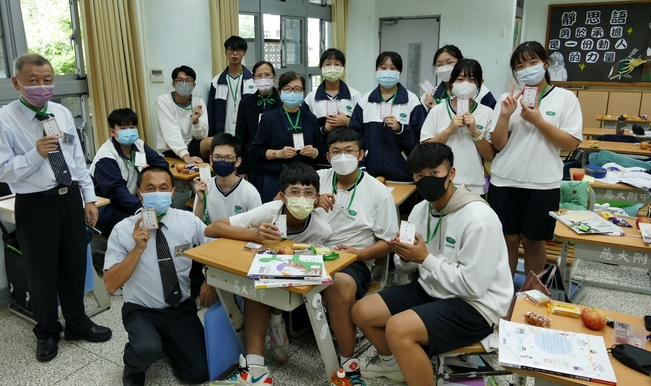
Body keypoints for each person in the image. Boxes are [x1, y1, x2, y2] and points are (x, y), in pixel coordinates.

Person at [351, 143, 513, 386]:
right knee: (362, 311)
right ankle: (392, 364)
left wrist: (424, 258)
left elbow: (474, 287)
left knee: (398, 328)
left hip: (476, 304)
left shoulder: (479, 219)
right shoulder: (419, 210)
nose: (426, 180)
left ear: (451, 173)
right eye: (419, 176)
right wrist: (404, 256)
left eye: (434, 173)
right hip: (433, 288)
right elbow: (407, 269)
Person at [0, 54, 112, 362]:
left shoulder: (60, 112)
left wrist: (89, 198)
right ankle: (46, 332)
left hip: (69, 197)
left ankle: (77, 323)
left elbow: (76, 158)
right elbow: (0, 171)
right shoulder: (3, 119)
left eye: (47, 80)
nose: (41, 86)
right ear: (16, 83)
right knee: (41, 272)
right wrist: (35, 154)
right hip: (35, 204)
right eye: (33, 81)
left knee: (74, 263)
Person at [205, 163, 332, 385]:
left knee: (266, 284)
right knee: (255, 286)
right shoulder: (270, 210)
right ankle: (257, 366)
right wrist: (254, 234)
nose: (301, 198)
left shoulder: (322, 229)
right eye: (294, 192)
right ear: (282, 196)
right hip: (263, 275)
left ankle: (276, 321)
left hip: (295, 284)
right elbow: (212, 228)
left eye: (308, 192)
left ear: (317, 198)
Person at [103, 166, 209, 385]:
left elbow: (214, 249)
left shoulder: (188, 222)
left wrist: (211, 281)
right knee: (146, 349)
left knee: (199, 374)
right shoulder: (123, 230)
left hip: (180, 308)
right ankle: (133, 363)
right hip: (142, 310)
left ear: (173, 193)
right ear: (139, 193)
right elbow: (111, 285)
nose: (157, 193)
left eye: (163, 188)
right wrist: (137, 249)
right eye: (150, 189)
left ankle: (167, 341)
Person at [488, 41, 582, 278]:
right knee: (507, 241)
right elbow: (498, 144)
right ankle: (504, 293)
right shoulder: (507, 98)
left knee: (534, 243)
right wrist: (505, 116)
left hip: (543, 184)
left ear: (545, 64)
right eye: (520, 66)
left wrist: (538, 121)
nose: (527, 69)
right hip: (504, 181)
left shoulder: (565, 98)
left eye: (533, 62)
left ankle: (531, 295)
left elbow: (570, 143)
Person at [316, 127, 398, 385]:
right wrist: (311, 201)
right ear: (328, 156)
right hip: (311, 250)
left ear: (361, 155)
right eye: (336, 152)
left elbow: (389, 242)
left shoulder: (377, 191)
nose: (342, 157)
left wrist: (360, 254)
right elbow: (283, 203)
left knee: (340, 285)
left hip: (353, 259)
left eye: (349, 151)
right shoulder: (316, 179)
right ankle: (277, 325)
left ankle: (347, 363)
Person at [420, 59, 496, 194]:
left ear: (480, 83)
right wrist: (449, 131)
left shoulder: (487, 112)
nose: (465, 84)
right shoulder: (437, 110)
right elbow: (424, 149)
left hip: (474, 186)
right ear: (452, 82)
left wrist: (475, 132)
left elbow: (490, 156)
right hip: (441, 183)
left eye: (471, 80)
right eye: (460, 79)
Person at [90, 108, 169, 237]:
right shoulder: (106, 156)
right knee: (137, 227)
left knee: (165, 217)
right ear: (112, 132)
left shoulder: (139, 144)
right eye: (123, 128)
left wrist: (151, 170)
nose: (129, 131)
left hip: (132, 201)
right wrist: (139, 209)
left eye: (132, 127)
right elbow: (116, 192)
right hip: (109, 208)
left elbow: (161, 163)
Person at [248, 71, 325, 202]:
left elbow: (322, 149)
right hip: (276, 178)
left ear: (303, 92)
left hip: (306, 181)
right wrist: (278, 154)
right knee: (275, 213)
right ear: (280, 92)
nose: (292, 92)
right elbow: (255, 151)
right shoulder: (268, 119)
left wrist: (314, 152)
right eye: (287, 89)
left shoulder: (311, 118)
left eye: (297, 89)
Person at [350, 51, 425, 182]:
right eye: (383, 68)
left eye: (393, 68)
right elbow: (354, 137)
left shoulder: (412, 101)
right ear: (376, 70)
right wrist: (361, 166)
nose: (387, 72)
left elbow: (420, 143)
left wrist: (401, 129)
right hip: (369, 176)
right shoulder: (365, 101)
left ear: (399, 72)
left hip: (404, 176)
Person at [193, 133, 262, 226]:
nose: (222, 161)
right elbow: (196, 226)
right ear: (211, 160)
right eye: (217, 157)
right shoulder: (204, 187)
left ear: (238, 161)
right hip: (210, 235)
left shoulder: (250, 193)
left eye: (228, 158)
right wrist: (201, 201)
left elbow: (257, 229)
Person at [236, 60, 282, 192]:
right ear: (253, 79)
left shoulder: (283, 101)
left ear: (274, 77)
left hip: (278, 163)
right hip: (254, 163)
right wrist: (241, 168)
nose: (263, 79)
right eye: (259, 76)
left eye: (267, 75)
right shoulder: (246, 103)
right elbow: (240, 137)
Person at [156, 65, 211, 164]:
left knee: (215, 142)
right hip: (171, 149)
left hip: (191, 145)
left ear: (194, 85)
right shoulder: (164, 100)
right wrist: (186, 156)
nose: (184, 84)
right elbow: (171, 130)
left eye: (188, 80)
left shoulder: (198, 102)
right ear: (173, 84)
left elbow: (202, 136)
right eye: (180, 80)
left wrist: (196, 122)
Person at [303, 48, 362, 138]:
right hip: (322, 146)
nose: (332, 68)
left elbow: (363, 127)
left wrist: (348, 122)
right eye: (328, 64)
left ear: (343, 68)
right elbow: (306, 129)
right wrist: (324, 129)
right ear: (321, 68)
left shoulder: (355, 96)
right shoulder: (311, 98)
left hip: (348, 145)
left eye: (337, 64)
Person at [421, 45, 496, 111]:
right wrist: (432, 110)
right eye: (439, 65)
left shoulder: (481, 91)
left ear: (461, 61)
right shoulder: (430, 95)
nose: (444, 68)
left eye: (449, 62)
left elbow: (493, 117)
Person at [208, 36, 256, 135]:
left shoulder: (253, 80)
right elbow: (211, 112)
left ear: (244, 53)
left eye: (239, 50)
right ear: (226, 52)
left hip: (247, 133)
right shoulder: (216, 81)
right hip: (224, 133)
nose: (235, 53)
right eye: (231, 49)